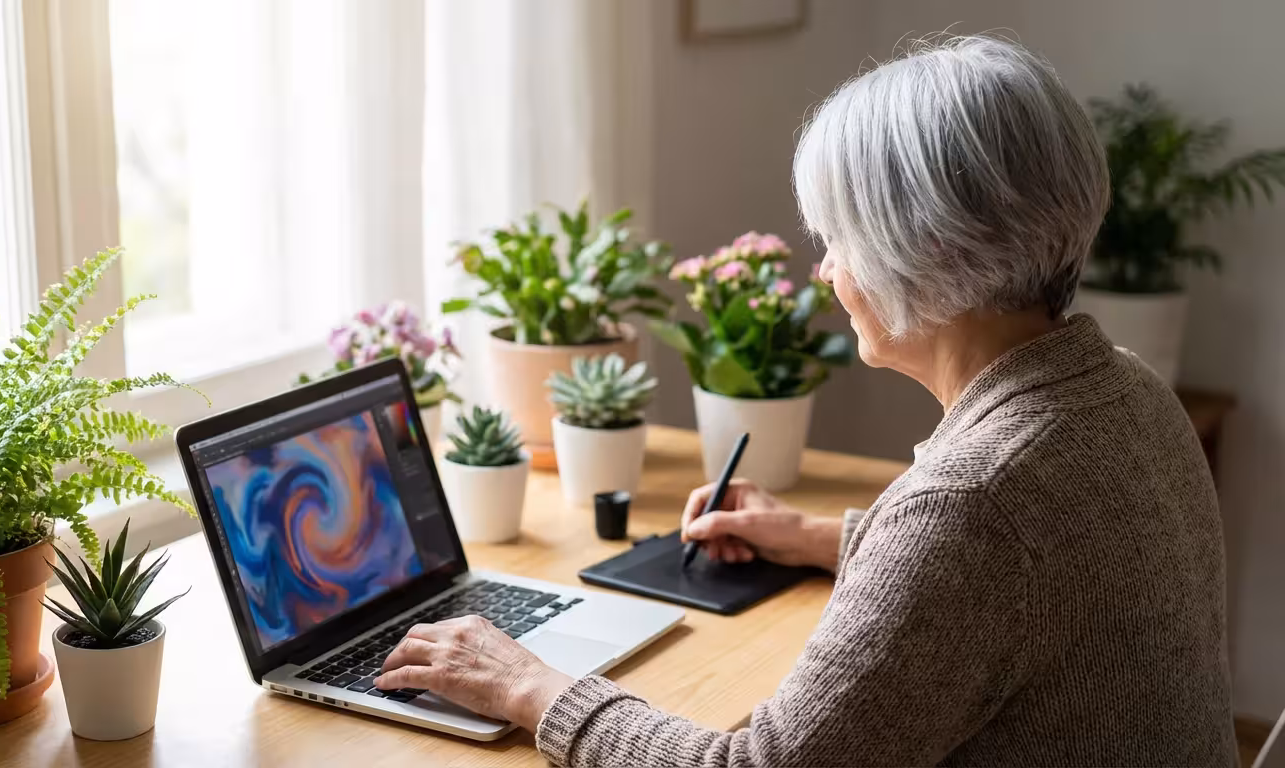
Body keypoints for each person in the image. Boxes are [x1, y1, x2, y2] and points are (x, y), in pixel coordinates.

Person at [373, 35, 1236, 766]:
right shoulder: (1125, 388)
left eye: (837, 241)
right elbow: (1031, 587)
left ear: (922, 250)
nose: (824, 271)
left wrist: (531, 688)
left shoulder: (970, 510)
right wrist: (833, 538)